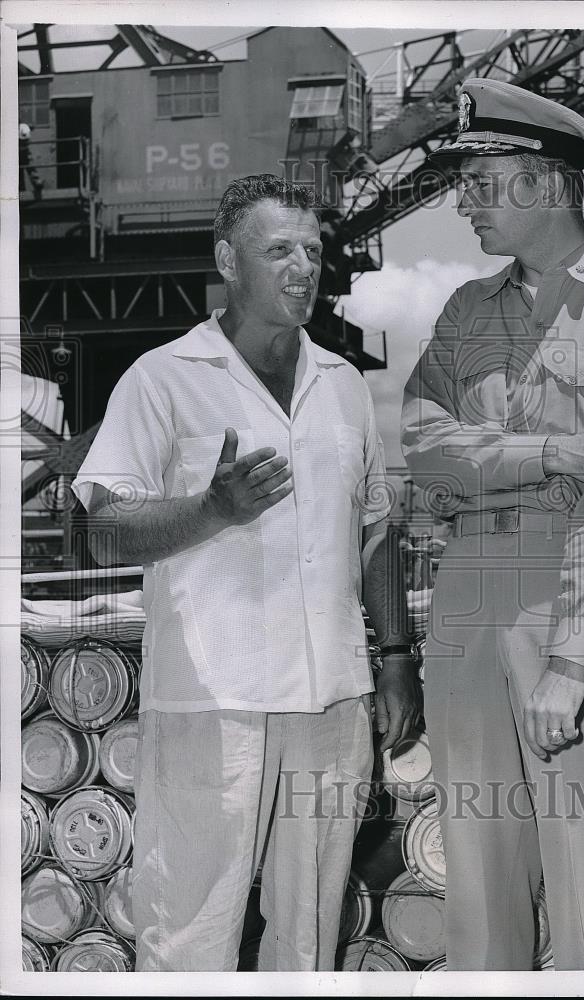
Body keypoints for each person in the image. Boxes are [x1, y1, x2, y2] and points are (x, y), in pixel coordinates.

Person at [72, 174, 421, 971]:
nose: (302, 267)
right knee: (192, 931)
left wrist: (396, 659)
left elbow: (374, 529)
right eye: (278, 251)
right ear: (229, 260)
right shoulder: (162, 379)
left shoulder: (344, 388)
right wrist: (212, 511)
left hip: (331, 702)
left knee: (308, 935)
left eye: (312, 249)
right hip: (211, 708)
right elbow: (104, 531)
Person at [401, 79, 584, 970]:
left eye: (482, 184)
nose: (465, 205)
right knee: (480, 884)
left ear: (546, 185)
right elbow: (423, 449)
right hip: (467, 607)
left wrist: (571, 662)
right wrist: (557, 455)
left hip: (583, 610)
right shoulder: (465, 313)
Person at [18, 122, 44, 199]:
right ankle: (22, 188)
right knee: (20, 171)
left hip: (24, 153)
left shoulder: (23, 128)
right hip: (17, 153)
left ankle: (37, 183)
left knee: (30, 167)